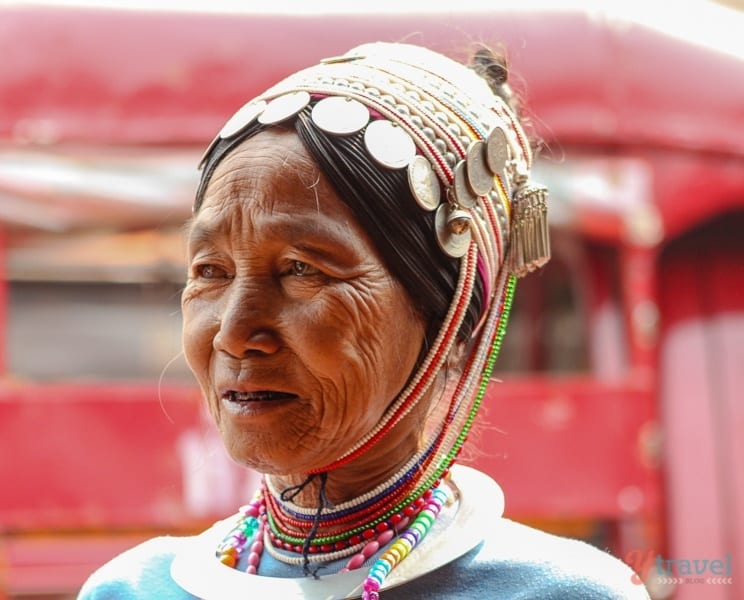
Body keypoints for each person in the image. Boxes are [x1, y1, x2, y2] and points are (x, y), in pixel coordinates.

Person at [79, 42, 649, 599]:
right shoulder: (131, 589)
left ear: (450, 319)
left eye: (302, 269)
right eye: (211, 271)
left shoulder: (560, 594)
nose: (233, 332)